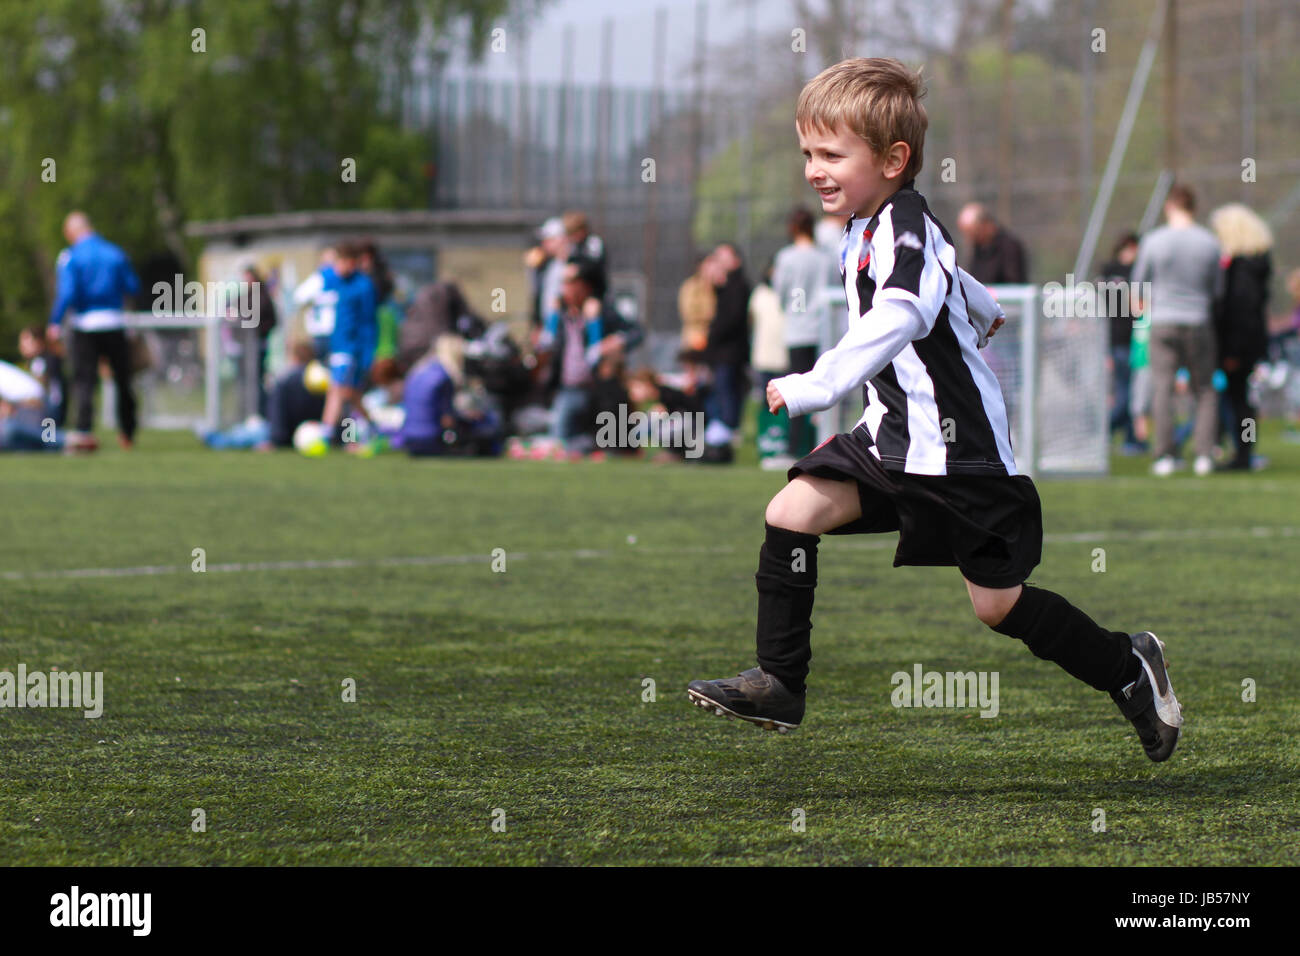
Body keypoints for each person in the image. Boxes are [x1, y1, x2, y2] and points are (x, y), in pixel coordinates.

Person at [686, 57, 1183, 765]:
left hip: (958, 453)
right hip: (890, 437)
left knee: (999, 607)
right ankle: (779, 685)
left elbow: (904, 305)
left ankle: (1129, 667)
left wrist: (819, 383)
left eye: (832, 154)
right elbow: (940, 271)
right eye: (808, 152)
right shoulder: (868, 224)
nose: (814, 169)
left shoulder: (901, 222)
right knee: (791, 512)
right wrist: (983, 303)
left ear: (893, 159)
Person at [1131, 183, 1222, 476]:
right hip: (1198, 320)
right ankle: (1204, 455)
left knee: (1163, 388)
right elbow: (1218, 289)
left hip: (1163, 320)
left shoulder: (1154, 241)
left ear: (1170, 206)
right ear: (1193, 207)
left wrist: (1144, 309)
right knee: (1205, 389)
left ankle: (1164, 456)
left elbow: (1138, 284)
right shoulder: (1209, 242)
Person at [47, 211, 140, 451]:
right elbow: (132, 286)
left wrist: (55, 322)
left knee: (85, 380)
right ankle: (127, 432)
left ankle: (85, 431)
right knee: (122, 379)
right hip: (114, 321)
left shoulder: (71, 256)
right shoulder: (115, 252)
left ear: (70, 232)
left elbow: (67, 293)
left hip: (85, 324)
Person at [1209, 204, 1272, 471]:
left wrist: (1234, 351)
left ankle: (1243, 455)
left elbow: (1241, 312)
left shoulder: (1242, 269)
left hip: (1238, 346)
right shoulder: (1253, 265)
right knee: (1239, 399)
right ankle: (1241, 451)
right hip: (1246, 343)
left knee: (1239, 400)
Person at [773, 206, 838, 459]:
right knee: (824, 391)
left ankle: (794, 448)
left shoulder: (786, 257)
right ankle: (822, 446)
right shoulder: (825, 258)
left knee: (797, 390)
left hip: (798, 331)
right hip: (824, 330)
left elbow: (780, 294)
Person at [321, 241, 378, 447]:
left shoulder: (363, 286)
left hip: (352, 348)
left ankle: (327, 434)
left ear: (352, 263)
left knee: (338, 389)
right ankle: (370, 428)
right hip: (337, 347)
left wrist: (367, 354)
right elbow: (323, 275)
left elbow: (368, 323)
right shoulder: (337, 280)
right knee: (349, 393)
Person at [700, 243, 752, 463]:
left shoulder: (738, 286)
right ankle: (718, 438)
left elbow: (730, 320)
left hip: (730, 353)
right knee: (717, 394)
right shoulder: (725, 286)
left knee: (727, 393)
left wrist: (714, 335)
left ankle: (727, 437)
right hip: (721, 353)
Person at [1098, 233, 1144, 454]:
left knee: (1133, 391)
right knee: (1126, 394)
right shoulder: (1112, 273)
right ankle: (1102, 431)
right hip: (1118, 342)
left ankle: (1131, 439)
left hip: (1136, 340)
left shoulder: (1137, 272)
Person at [956, 202, 1028, 284]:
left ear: (984, 225)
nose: (969, 239)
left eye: (973, 233)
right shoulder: (978, 249)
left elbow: (1014, 282)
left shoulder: (1009, 247)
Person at [292, 247, 338, 360]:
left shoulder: (325, 277)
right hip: (322, 331)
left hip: (329, 331)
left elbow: (299, 297)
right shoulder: (320, 278)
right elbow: (299, 296)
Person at [18, 325, 66, 428]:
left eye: (26, 340)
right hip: (53, 410)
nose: (22, 345)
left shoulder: (39, 362)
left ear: (38, 342)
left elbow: (39, 392)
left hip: (48, 412)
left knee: (48, 440)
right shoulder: (44, 359)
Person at [563, 210, 607, 301]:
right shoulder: (573, 246)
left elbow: (595, 264)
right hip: (577, 294)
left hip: (595, 293)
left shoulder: (593, 242)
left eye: (573, 233)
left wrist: (578, 270)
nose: (571, 237)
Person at [677, 253, 716, 352]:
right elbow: (689, 313)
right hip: (695, 338)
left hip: (714, 339)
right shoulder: (691, 287)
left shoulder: (719, 288)